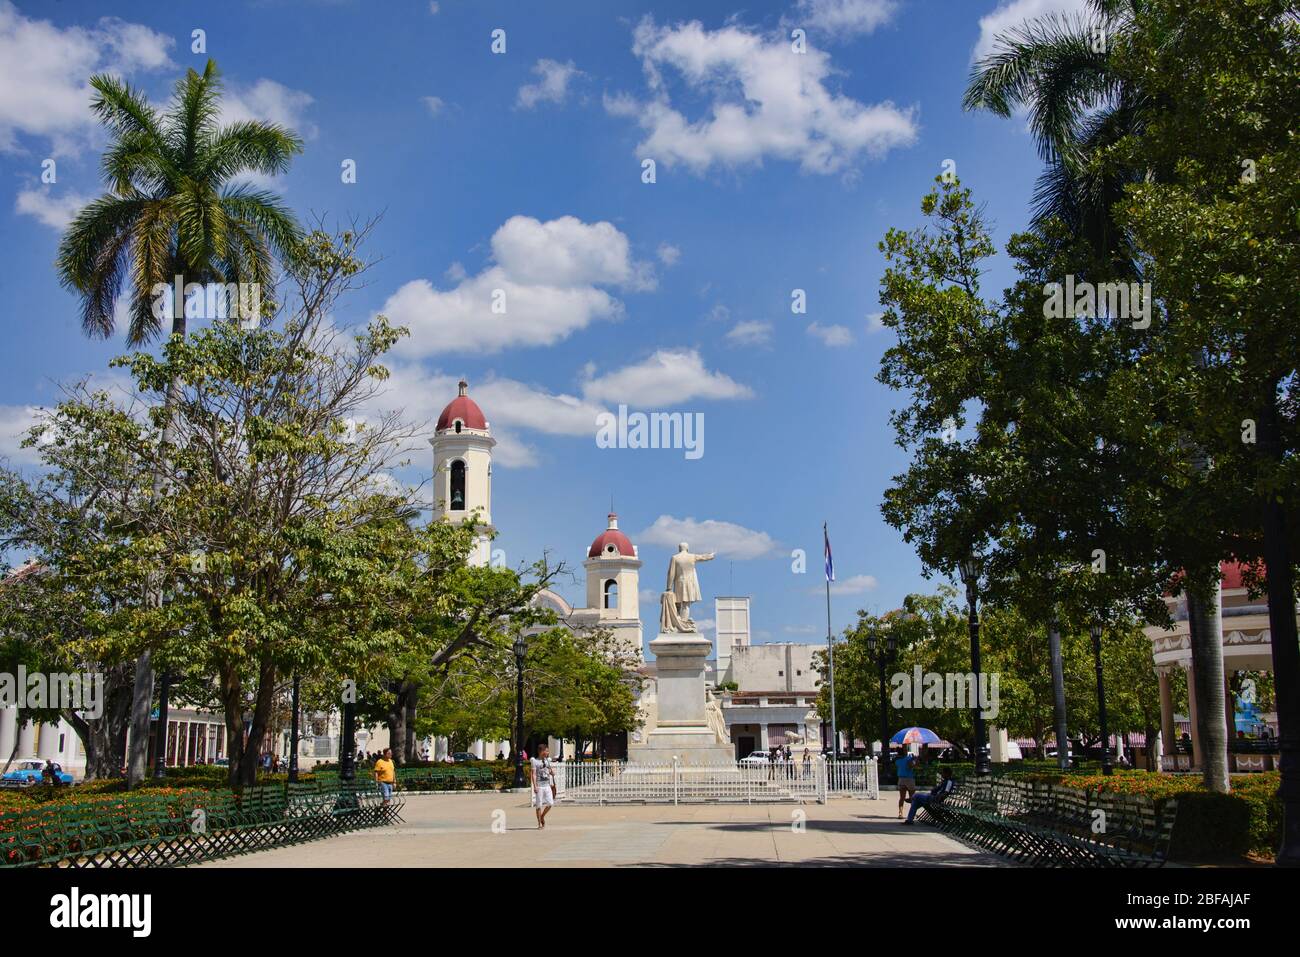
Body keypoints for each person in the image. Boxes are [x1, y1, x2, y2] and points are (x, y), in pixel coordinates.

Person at [530, 744, 556, 829]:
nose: (548, 752)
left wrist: (552, 772)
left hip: (547, 785)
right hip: (539, 786)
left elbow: (549, 771)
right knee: (538, 805)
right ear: (541, 751)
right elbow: (533, 774)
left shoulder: (547, 760)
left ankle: (542, 816)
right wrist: (535, 786)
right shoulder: (535, 761)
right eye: (546, 751)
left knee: (550, 803)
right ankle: (539, 824)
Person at [895, 749, 917, 819]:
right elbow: (912, 766)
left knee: (902, 798)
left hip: (901, 779)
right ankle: (912, 814)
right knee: (912, 798)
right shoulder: (909, 758)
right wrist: (915, 759)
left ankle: (900, 813)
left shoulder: (897, 761)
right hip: (909, 778)